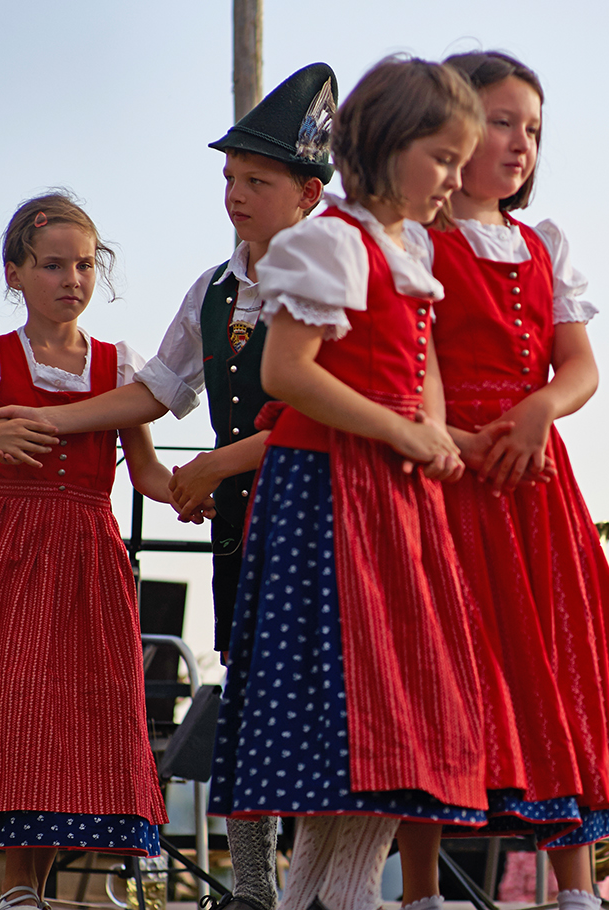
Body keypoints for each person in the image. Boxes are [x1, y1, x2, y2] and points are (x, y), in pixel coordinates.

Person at [0, 65, 340, 910]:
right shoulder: (214, 290)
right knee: (249, 696)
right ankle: (255, 887)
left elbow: (340, 410)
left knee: (330, 699)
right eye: (229, 178)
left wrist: (212, 464)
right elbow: (155, 391)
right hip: (246, 524)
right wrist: (45, 417)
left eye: (256, 180)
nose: (234, 195)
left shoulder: (336, 282)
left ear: (310, 196)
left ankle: (326, 887)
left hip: (328, 513)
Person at [206, 56, 488, 910]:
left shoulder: (410, 251)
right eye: (441, 157)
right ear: (388, 145)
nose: (455, 177)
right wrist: (404, 429)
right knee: (347, 721)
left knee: (392, 727)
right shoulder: (328, 241)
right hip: (330, 498)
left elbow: (420, 364)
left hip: (394, 499)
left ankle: (334, 897)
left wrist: (437, 434)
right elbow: (290, 372)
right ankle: (326, 898)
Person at [421, 51, 609, 907]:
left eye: (532, 128)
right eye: (501, 122)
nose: (520, 143)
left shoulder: (540, 241)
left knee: (558, 663)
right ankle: (421, 887)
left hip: (533, 477)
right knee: (443, 669)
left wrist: (538, 412)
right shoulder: (412, 239)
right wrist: (448, 435)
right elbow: (405, 360)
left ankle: (575, 888)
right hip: (444, 472)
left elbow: (581, 365)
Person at [0, 193, 171, 910]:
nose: (70, 279)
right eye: (51, 265)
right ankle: (20, 889)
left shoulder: (117, 365)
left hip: (88, 548)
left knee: (86, 708)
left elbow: (147, 476)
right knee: (19, 702)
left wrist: (206, 487)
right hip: (12, 543)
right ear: (16, 272)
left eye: (83, 265)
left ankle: (54, 886)